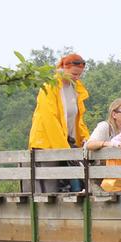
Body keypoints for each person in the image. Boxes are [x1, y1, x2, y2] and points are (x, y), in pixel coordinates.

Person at [27, 52, 90, 192]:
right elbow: (49, 119)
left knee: (79, 180)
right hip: (47, 144)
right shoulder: (50, 87)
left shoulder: (76, 89)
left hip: (69, 142)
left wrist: (85, 138)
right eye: (74, 74)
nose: (77, 77)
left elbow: (78, 119)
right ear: (63, 68)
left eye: (79, 75)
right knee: (53, 186)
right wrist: (63, 148)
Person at [83, 97, 121, 193]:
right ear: (114, 114)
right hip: (102, 178)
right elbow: (89, 145)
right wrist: (109, 144)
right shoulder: (105, 127)